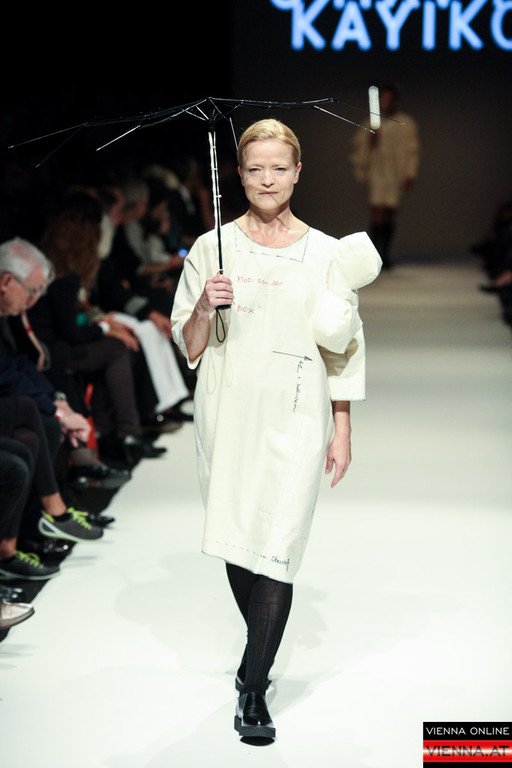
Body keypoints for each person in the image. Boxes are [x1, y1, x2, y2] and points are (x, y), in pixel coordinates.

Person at [171, 118, 381, 741]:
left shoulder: (327, 253)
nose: (267, 179)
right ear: (239, 174)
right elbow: (189, 345)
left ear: (298, 172)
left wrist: (342, 426)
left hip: (297, 414)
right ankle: (257, 659)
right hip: (227, 411)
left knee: (279, 549)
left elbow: (343, 345)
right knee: (240, 541)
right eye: (256, 168)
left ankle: (253, 686)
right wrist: (204, 305)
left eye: (279, 168)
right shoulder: (210, 249)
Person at [350, 83, 420, 269]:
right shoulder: (371, 123)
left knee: (389, 212)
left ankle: (385, 253)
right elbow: (359, 146)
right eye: (384, 99)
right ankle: (376, 254)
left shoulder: (405, 122)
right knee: (378, 211)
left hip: (395, 172)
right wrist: (370, 140)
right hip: (378, 170)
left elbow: (412, 150)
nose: (387, 103)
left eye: (390, 99)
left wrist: (410, 173)